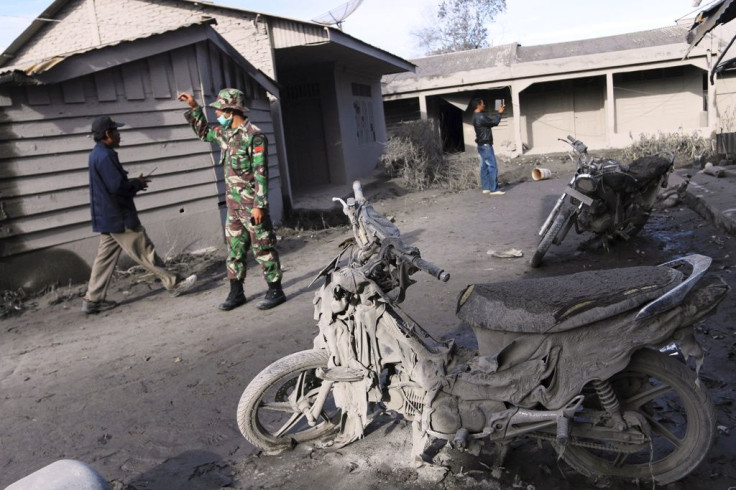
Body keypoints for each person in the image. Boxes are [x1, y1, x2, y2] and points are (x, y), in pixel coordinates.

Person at [178, 89, 286, 311]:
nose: (217, 114)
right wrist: (194, 108)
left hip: (252, 206)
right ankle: (236, 293)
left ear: (231, 110)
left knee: (263, 248)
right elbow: (203, 132)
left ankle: (275, 290)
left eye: (219, 110)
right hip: (234, 206)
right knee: (234, 250)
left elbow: (261, 173)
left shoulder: (254, 136)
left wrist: (259, 206)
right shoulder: (225, 133)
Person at [82, 117, 197, 314]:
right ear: (108, 134)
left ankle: (93, 300)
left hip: (107, 216)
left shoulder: (96, 154)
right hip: (119, 216)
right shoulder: (106, 156)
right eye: (116, 131)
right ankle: (173, 283)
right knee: (144, 250)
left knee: (104, 258)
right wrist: (136, 184)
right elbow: (117, 187)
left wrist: (135, 182)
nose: (119, 134)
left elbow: (113, 185)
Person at [471, 98, 506, 195]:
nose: (484, 105)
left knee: (484, 166)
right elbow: (494, 122)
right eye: (482, 103)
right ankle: (494, 189)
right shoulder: (481, 117)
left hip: (481, 145)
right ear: (478, 105)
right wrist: (499, 113)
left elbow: (489, 123)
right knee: (492, 166)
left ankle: (486, 187)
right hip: (486, 145)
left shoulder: (474, 116)